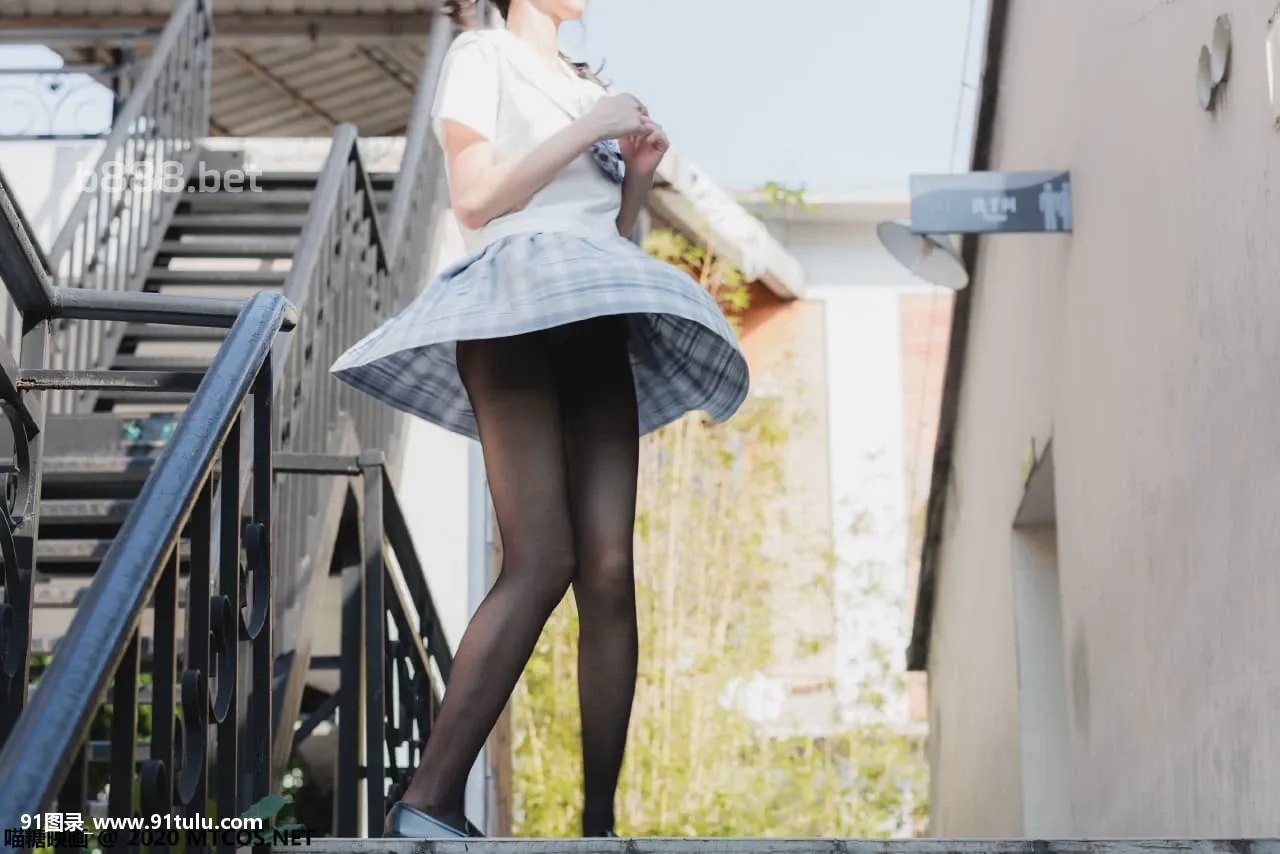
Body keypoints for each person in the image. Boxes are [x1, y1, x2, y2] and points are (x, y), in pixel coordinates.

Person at [329, 0, 749, 839]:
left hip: (595, 311)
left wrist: (635, 176)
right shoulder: (482, 56)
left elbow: (602, 233)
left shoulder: (591, 86)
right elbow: (478, 199)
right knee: (543, 555)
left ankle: (598, 826)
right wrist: (588, 128)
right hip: (508, 309)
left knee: (610, 568)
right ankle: (426, 801)